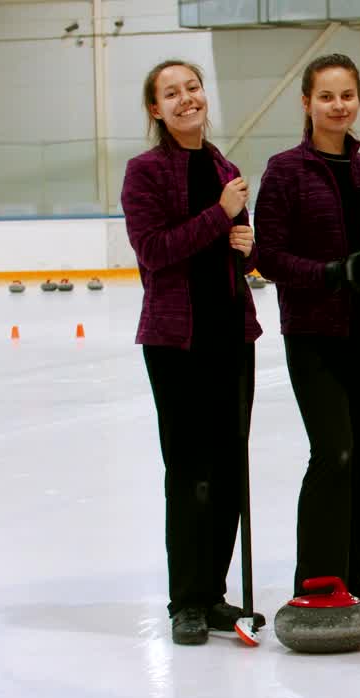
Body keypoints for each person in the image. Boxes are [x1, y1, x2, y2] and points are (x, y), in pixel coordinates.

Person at [253, 54, 360, 624]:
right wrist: (332, 274)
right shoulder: (286, 169)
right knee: (334, 452)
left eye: (347, 95)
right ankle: (318, 581)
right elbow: (268, 254)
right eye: (326, 96)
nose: (338, 106)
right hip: (315, 335)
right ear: (306, 103)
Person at [120, 59, 263, 645]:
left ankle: (214, 594)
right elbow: (154, 251)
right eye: (171, 94)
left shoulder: (224, 168)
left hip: (232, 336)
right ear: (156, 109)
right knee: (189, 472)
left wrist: (247, 243)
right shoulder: (145, 172)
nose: (187, 99)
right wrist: (221, 214)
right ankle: (186, 599)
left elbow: (242, 256)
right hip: (176, 341)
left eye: (194, 88)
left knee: (229, 471)